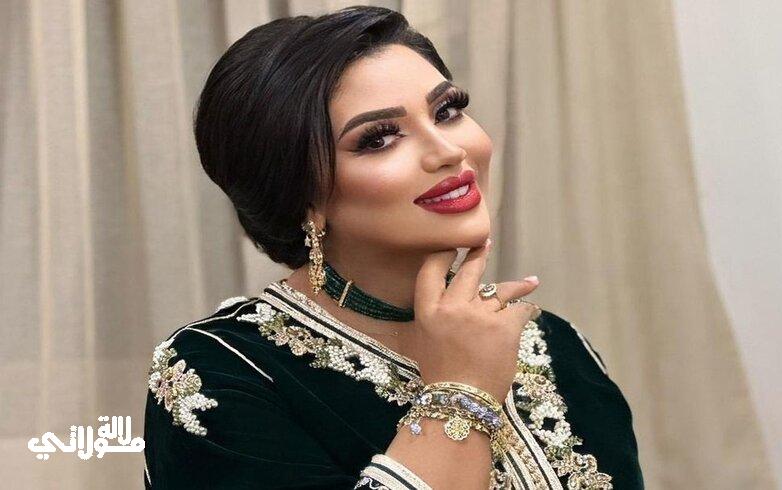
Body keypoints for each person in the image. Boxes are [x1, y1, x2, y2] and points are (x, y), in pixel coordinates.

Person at [143, 6, 643, 489]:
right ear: (301, 195)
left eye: (447, 112)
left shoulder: (552, 344)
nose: (448, 150)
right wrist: (460, 391)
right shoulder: (220, 371)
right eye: (379, 138)